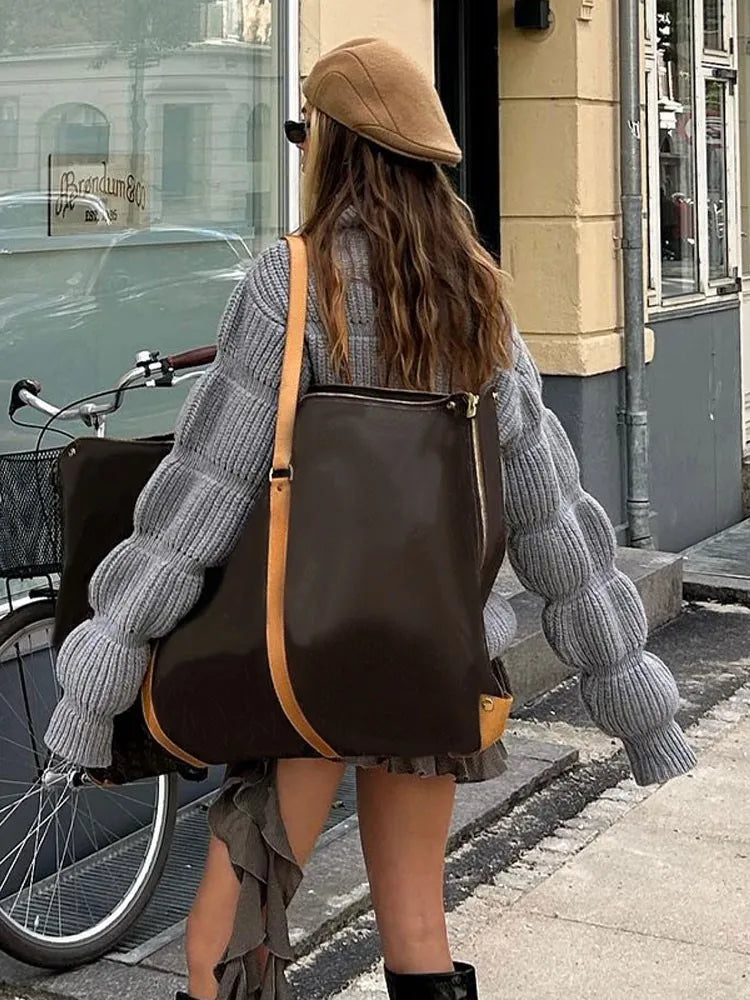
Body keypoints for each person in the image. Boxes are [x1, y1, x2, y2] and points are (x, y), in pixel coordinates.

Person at [45, 37, 696, 1000]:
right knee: (418, 926)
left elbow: (202, 495)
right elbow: (552, 514)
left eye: (306, 132)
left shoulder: (294, 280)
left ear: (334, 145)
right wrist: (636, 703)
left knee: (229, 936)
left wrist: (99, 670)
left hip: (311, 661)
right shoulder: (475, 293)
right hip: (435, 656)